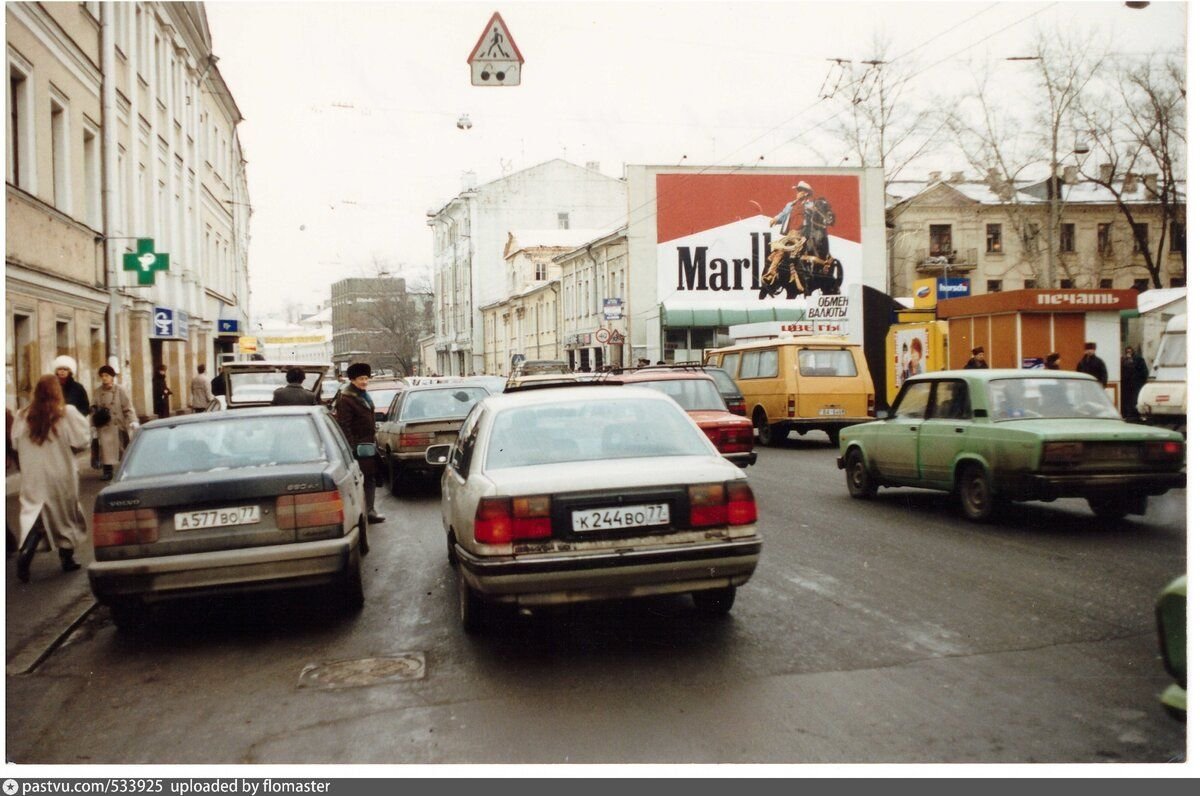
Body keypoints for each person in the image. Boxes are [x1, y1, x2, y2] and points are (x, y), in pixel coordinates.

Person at [10, 374, 90, 582]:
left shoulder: (22, 415)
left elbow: (15, 443)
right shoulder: (67, 413)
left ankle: (26, 552)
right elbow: (82, 441)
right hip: (60, 474)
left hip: (33, 476)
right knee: (65, 515)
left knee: (36, 516)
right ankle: (67, 558)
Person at [334, 362, 384, 523]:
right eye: (361, 379)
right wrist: (351, 448)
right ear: (353, 380)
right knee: (363, 479)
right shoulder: (347, 399)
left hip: (368, 445)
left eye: (366, 378)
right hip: (358, 447)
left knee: (370, 477)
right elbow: (344, 425)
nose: (364, 382)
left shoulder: (363, 396)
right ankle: (364, 512)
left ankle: (369, 510)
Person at [93, 365, 138, 481]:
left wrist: (133, 420)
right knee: (105, 450)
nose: (104, 378)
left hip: (118, 424)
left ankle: (125, 470)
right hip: (104, 425)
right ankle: (107, 471)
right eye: (102, 376)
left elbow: (128, 407)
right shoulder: (98, 392)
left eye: (106, 376)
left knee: (122, 449)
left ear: (112, 377)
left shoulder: (120, 390)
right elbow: (93, 407)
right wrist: (93, 425)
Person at [1120, 345, 1149, 418]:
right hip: (1127, 384)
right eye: (1127, 352)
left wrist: (1141, 382)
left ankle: (1134, 415)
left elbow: (1144, 372)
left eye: (1130, 351)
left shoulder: (1138, 359)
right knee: (1128, 400)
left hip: (1136, 384)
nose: (1128, 353)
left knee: (1134, 400)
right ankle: (1129, 415)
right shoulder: (1123, 360)